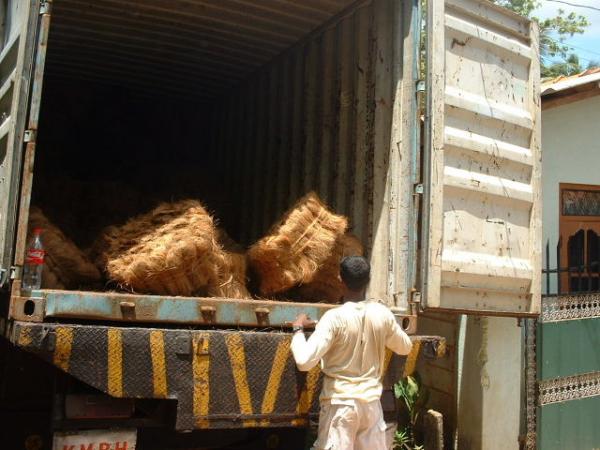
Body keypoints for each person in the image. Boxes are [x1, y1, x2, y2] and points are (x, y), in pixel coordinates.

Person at [290, 255, 413, 450]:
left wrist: (298, 329)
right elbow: (405, 347)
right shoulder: (382, 314)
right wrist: (385, 326)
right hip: (371, 407)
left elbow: (304, 361)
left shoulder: (333, 318)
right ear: (368, 280)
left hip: (341, 406)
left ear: (340, 279)